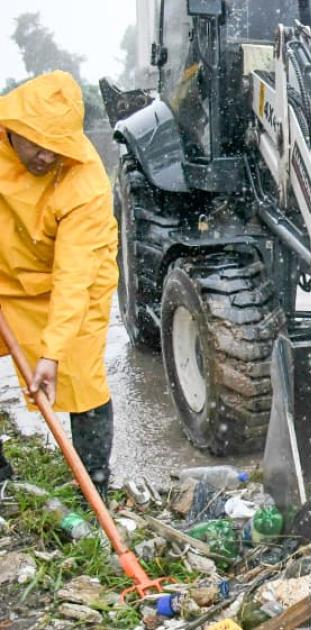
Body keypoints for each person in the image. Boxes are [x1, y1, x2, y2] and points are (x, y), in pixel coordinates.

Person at [0, 72, 119, 495]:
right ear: (14, 129)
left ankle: (94, 488)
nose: (46, 157)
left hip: (76, 278)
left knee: (79, 376)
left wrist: (51, 352)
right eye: (36, 144)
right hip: (7, 271)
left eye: (57, 148)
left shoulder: (85, 183)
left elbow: (73, 277)